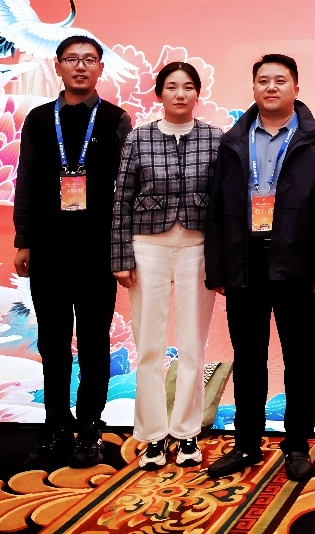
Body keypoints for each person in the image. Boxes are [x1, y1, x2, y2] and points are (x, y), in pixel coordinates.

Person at [204, 54, 315, 480]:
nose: (272, 87)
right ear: (254, 88)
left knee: (300, 360)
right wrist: (218, 270)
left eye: (281, 80)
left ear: (296, 88)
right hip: (245, 261)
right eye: (263, 80)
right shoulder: (233, 141)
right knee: (248, 359)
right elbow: (217, 209)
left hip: (297, 262)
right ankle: (246, 443)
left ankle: (297, 445)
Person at [14, 35, 132, 468]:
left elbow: (127, 190)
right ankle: (56, 425)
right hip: (48, 247)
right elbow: (26, 180)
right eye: (71, 59)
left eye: (89, 60)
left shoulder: (116, 119)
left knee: (95, 341)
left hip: (97, 250)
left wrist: (122, 250)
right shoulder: (39, 120)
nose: (80, 66)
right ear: (57, 66)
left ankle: (89, 426)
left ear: (100, 67)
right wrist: (23, 239)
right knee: (53, 340)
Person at [111, 62, 223, 470]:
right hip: (148, 248)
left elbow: (224, 201)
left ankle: (187, 431)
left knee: (193, 344)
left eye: (188, 87)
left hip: (198, 247)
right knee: (150, 346)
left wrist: (222, 260)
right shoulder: (139, 137)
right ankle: (153, 435)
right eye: (172, 87)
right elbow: (122, 198)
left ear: (198, 94)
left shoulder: (214, 137)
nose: (180, 94)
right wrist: (121, 257)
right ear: (159, 93)